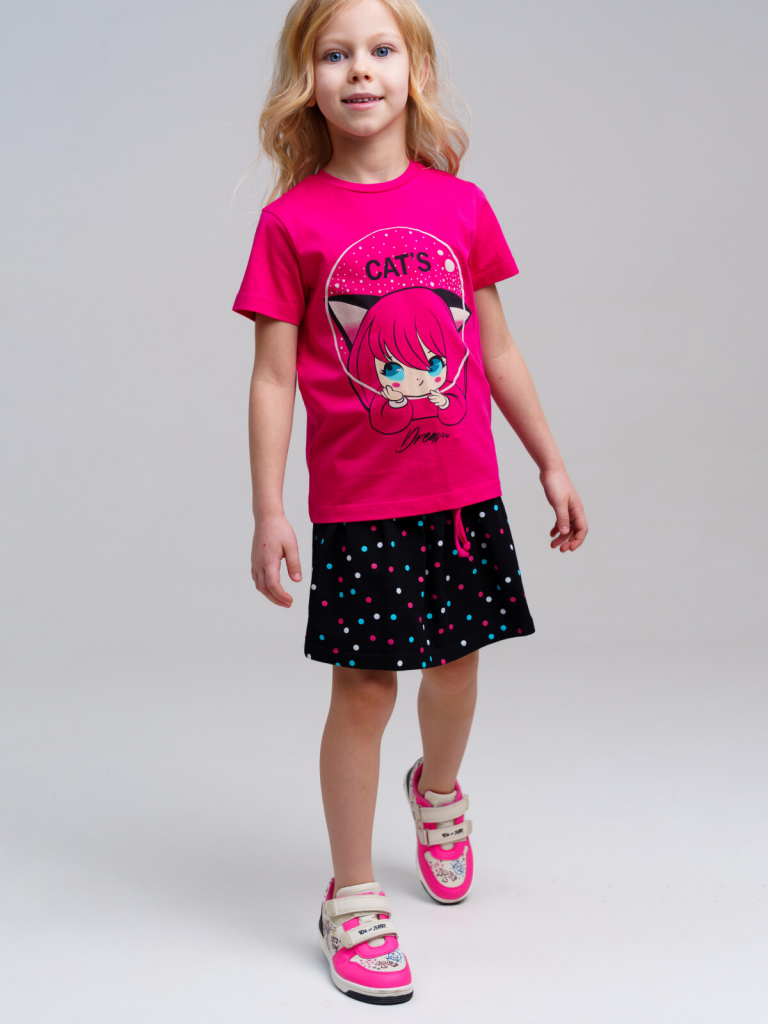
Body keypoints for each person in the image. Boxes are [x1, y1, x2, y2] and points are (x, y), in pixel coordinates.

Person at [232, 0, 588, 1005]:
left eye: (380, 50)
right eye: (334, 54)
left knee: (457, 667)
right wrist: (268, 509)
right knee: (364, 690)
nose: (360, 70)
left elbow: (497, 349)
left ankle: (436, 792)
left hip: (464, 496)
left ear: (415, 72)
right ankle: (351, 894)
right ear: (308, 82)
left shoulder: (460, 207)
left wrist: (550, 461)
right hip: (360, 508)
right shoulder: (290, 224)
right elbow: (270, 378)